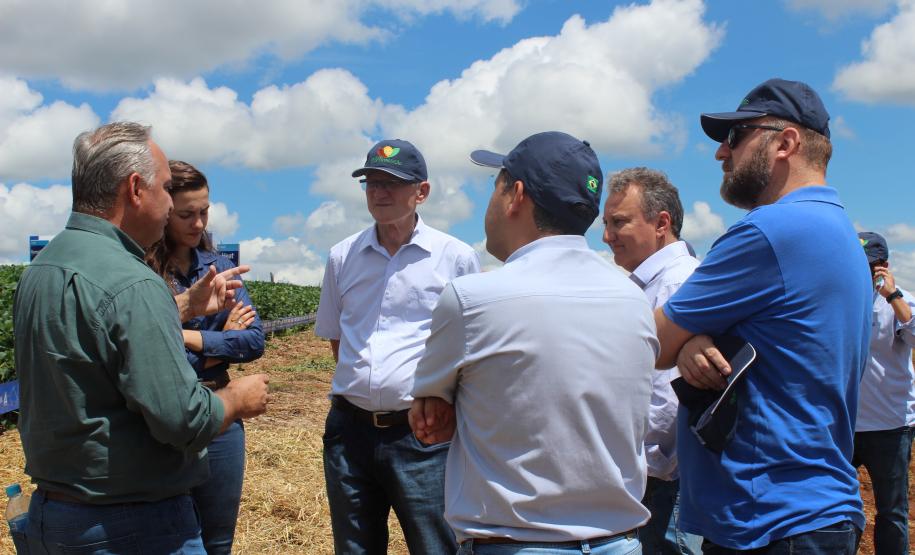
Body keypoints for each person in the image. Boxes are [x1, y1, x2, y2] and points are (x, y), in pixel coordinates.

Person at [13, 122, 270, 554]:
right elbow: (182, 420)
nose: (172, 206)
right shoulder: (134, 282)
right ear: (135, 188)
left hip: (52, 516)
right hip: (131, 524)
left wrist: (182, 308)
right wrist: (236, 399)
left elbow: (96, 339)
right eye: (167, 190)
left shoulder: (44, 270)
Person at [410, 131, 658, 555]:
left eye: (496, 186)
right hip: (619, 543)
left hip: (513, 543)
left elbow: (430, 412)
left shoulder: (471, 300)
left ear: (516, 195)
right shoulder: (635, 300)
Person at [653, 78, 871, 553]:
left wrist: (685, 340)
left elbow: (654, 341)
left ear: (786, 142)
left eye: (736, 137)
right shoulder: (838, 230)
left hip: (769, 518)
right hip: (813, 512)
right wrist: (690, 340)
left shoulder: (771, 231)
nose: (721, 154)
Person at [314, 138, 480, 554]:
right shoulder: (341, 256)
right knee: (355, 549)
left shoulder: (454, 258)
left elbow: (470, 346)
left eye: (392, 182)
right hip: (349, 433)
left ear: (421, 192)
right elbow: (339, 341)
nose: (379, 192)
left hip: (421, 435)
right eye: (371, 182)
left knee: (435, 546)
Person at [146, 160, 266, 554]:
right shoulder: (144, 275)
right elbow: (149, 354)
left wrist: (188, 337)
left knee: (218, 540)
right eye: (186, 214)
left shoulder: (220, 269)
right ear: (164, 212)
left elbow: (252, 342)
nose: (198, 223)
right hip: (167, 419)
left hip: (223, 420)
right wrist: (217, 349)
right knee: (169, 537)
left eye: (204, 212)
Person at [602, 167, 701, 554]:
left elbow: (669, 399)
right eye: (606, 223)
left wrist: (638, 467)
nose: (607, 236)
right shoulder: (650, 284)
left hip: (662, 481)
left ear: (662, 223)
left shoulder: (677, 284)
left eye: (619, 222)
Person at [852, 231, 915, 555]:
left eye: (867, 266)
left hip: (890, 426)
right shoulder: (843, 298)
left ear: (883, 267)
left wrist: (892, 295)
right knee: (839, 507)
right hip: (846, 424)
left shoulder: (900, 302)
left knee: (891, 512)